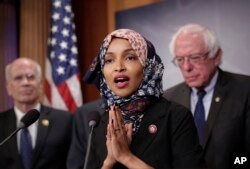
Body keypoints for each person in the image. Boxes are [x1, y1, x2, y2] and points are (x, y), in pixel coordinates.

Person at [69, 28, 206, 169]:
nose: (118, 67)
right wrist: (109, 162)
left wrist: (126, 157)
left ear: (147, 65)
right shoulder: (99, 124)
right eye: (109, 60)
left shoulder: (175, 116)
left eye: (130, 57)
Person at [163, 23, 250, 169]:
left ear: (216, 56)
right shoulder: (168, 99)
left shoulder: (245, 90)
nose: (186, 67)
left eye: (195, 58)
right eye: (180, 59)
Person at [0, 57, 72, 169]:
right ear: (9, 88)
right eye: (18, 78)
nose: (25, 83)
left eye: (31, 77)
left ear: (40, 85)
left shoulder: (64, 120)